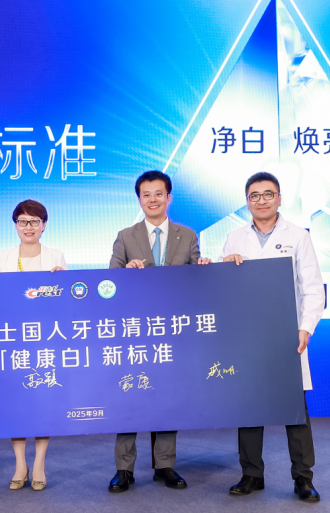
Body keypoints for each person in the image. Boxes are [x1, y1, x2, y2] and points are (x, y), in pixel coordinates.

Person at [221, 171, 325, 502]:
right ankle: (251, 474)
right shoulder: (235, 237)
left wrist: (306, 327)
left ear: (279, 198)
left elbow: (313, 287)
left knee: (294, 409)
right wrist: (224, 266)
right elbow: (224, 289)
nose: (261, 200)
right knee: (250, 406)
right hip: (248, 335)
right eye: (254, 195)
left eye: (268, 194)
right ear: (246, 201)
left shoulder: (298, 236)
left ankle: (303, 478)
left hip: (286, 333)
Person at [107, 170, 211, 493]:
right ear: (139, 200)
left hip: (173, 332)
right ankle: (124, 469)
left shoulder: (187, 235)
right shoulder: (126, 236)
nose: (152, 200)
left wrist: (203, 269)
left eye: (158, 194)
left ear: (169, 197)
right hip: (135, 331)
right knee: (129, 395)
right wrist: (125, 272)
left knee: (169, 395)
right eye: (146, 195)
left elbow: (195, 281)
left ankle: (164, 464)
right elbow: (108, 283)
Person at [0, 199, 67, 492]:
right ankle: (20, 464)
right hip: (13, 340)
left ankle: (40, 463)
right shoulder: (3, 258)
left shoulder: (56, 256)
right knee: (16, 403)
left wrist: (64, 282)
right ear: (15, 225)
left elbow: (65, 301)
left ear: (44, 225)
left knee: (43, 401)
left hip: (45, 339)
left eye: (34, 221)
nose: (28, 227)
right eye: (22, 221)